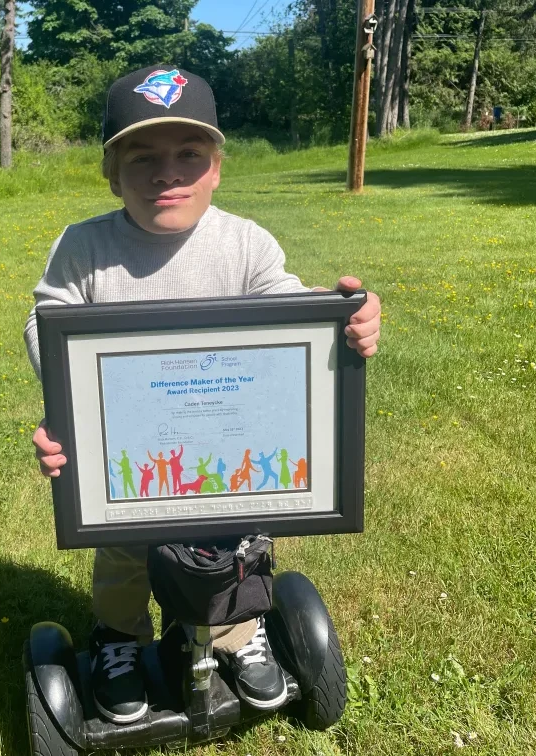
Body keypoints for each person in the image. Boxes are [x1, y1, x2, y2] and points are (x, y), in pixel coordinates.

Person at [26, 64, 382, 725]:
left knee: (238, 545)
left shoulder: (243, 242)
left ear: (217, 167)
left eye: (189, 155)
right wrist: (68, 406)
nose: (168, 173)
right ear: (111, 170)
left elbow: (284, 306)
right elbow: (46, 321)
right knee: (124, 549)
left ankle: (239, 635)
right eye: (143, 157)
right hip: (127, 449)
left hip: (227, 444)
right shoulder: (84, 249)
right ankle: (120, 640)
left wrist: (341, 319)